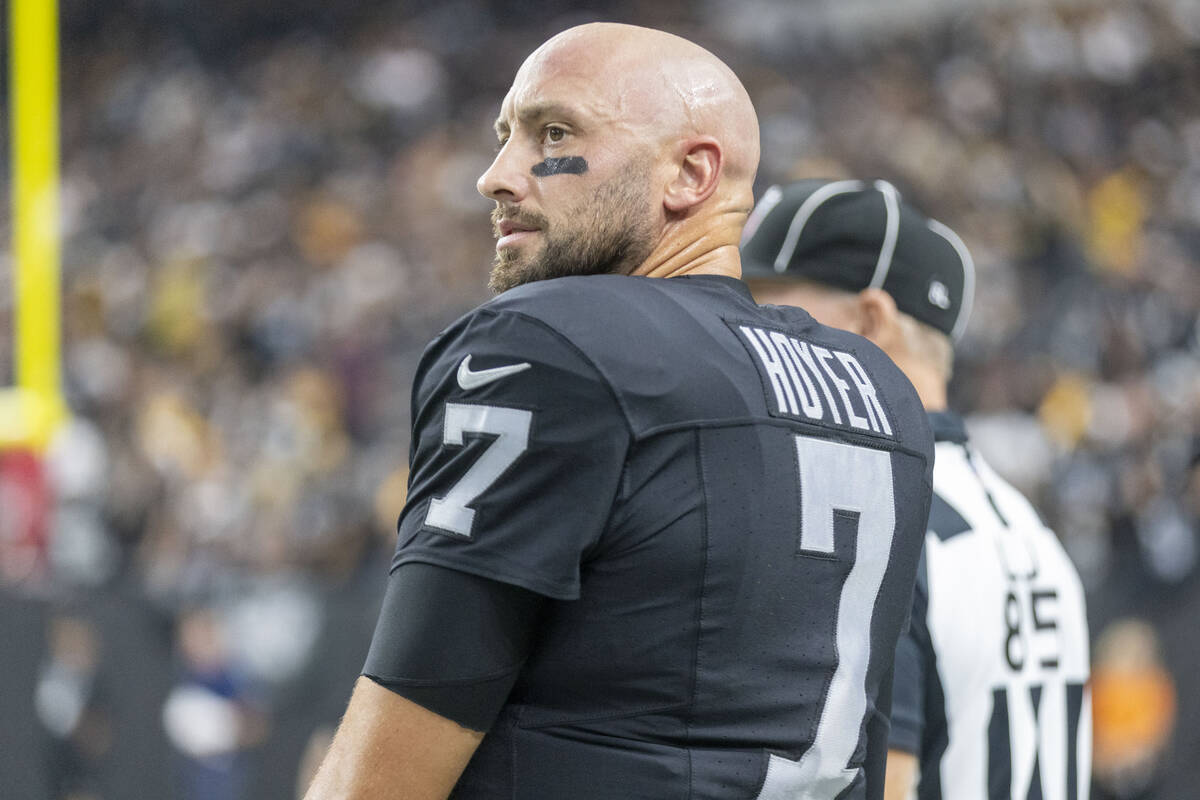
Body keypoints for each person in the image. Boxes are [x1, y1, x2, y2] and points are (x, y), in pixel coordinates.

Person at [305, 26, 935, 800]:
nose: (495, 177)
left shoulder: (545, 341)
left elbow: (383, 777)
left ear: (690, 173)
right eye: (506, 137)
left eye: (555, 133)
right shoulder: (879, 391)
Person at [741, 179, 1092, 800]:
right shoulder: (1029, 529)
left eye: (776, 313)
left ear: (871, 320)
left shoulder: (878, 516)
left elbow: (889, 784)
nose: (751, 339)